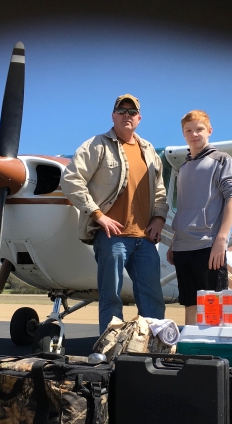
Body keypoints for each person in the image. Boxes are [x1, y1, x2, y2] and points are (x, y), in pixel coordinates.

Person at [61, 94, 169, 334]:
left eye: (132, 112)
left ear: (139, 118)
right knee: (111, 299)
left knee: (153, 301)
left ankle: (152, 351)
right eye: (122, 111)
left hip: (144, 239)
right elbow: (70, 180)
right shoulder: (96, 145)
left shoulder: (149, 150)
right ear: (113, 116)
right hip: (112, 237)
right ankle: (110, 354)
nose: (127, 116)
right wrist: (97, 214)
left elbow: (160, 191)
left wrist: (159, 218)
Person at [167, 110, 232, 326]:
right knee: (189, 303)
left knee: (211, 304)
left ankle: (209, 355)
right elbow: (183, 209)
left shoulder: (222, 160)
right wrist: (174, 242)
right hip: (182, 248)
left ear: (209, 131)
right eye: (188, 130)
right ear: (183, 134)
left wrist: (221, 239)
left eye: (199, 129)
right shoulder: (183, 168)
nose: (194, 134)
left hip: (208, 246)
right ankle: (189, 350)